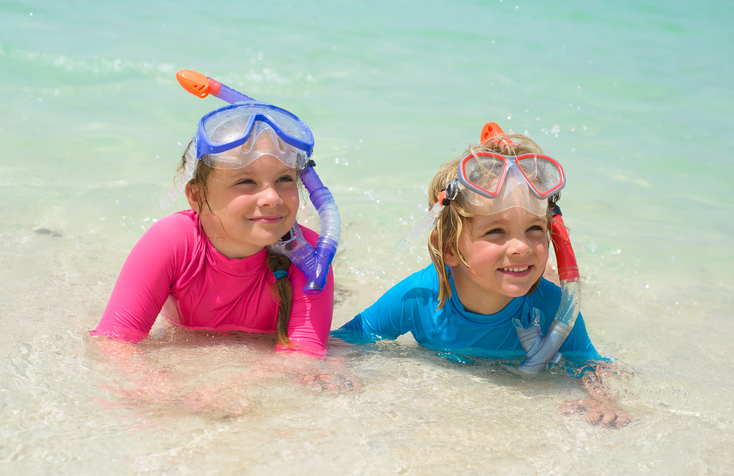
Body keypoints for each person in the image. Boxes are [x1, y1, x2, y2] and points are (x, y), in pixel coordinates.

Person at [332, 123, 631, 427]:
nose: (520, 246)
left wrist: (603, 400)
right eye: (496, 231)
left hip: (536, 287)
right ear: (448, 248)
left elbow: (590, 365)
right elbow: (346, 338)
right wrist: (336, 369)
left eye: (534, 229)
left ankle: (546, 269)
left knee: (545, 277)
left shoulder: (554, 309)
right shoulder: (418, 298)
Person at [91, 88, 356, 414]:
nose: (272, 197)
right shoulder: (172, 241)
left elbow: (302, 353)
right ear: (196, 196)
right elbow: (114, 340)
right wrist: (158, 385)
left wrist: (229, 385)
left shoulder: (311, 258)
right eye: (246, 181)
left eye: (285, 179)